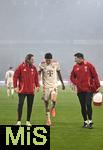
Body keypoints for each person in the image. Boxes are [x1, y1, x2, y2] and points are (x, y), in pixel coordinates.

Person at [70, 52, 100, 129]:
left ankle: (90, 121)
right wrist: (76, 83)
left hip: (88, 89)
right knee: (83, 106)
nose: (75, 60)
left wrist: (98, 85)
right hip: (80, 90)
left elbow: (95, 75)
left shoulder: (89, 65)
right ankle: (85, 122)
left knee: (88, 104)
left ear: (80, 58)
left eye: (76, 58)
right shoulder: (75, 67)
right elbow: (72, 77)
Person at [38, 53, 65, 126]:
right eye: (47, 60)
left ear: (51, 59)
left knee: (53, 99)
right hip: (46, 87)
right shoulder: (42, 64)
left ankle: (53, 107)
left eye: (49, 60)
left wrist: (62, 83)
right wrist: (37, 82)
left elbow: (59, 73)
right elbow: (38, 73)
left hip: (54, 86)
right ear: (45, 59)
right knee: (46, 104)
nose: (48, 61)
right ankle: (48, 120)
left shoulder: (56, 63)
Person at [13, 54, 40, 126]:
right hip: (22, 90)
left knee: (30, 105)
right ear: (28, 60)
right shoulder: (21, 67)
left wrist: (37, 86)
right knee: (20, 104)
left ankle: (28, 121)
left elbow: (36, 78)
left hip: (31, 91)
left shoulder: (34, 68)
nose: (33, 61)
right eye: (32, 59)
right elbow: (15, 77)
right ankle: (19, 121)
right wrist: (15, 86)